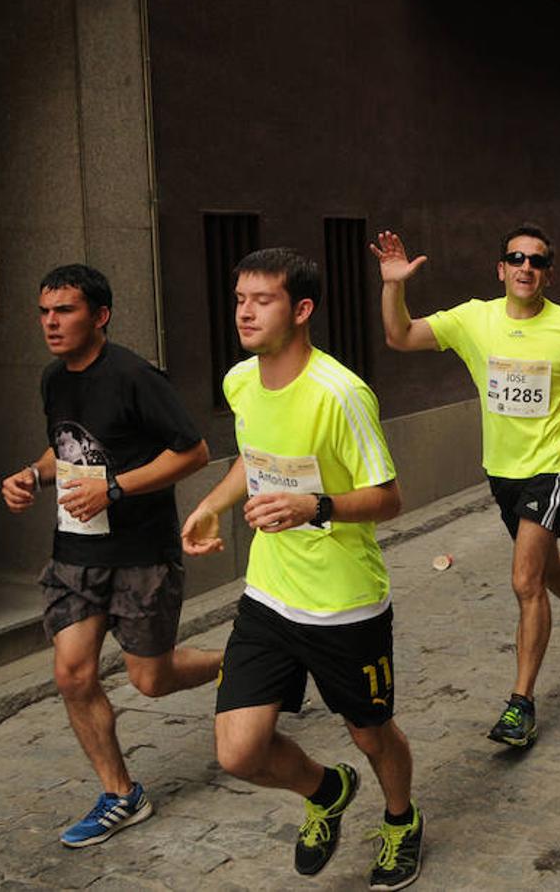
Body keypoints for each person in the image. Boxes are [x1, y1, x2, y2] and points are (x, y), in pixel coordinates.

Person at [181, 248, 422, 889]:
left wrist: (314, 505)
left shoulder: (341, 394)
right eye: (239, 299)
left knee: (371, 735)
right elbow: (253, 457)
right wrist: (212, 504)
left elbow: (389, 498)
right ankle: (325, 789)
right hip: (269, 596)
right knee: (237, 751)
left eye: (262, 300)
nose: (246, 312)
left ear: (302, 309)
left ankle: (401, 819)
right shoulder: (240, 381)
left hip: (345, 604)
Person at [0, 264, 218, 848]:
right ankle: (122, 793)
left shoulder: (134, 376)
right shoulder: (53, 378)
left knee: (152, 678)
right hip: (75, 548)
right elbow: (64, 444)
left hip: (140, 550)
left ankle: (240, 665)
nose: (51, 322)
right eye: (45, 311)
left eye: (65, 310)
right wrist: (32, 475)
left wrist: (115, 487)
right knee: (72, 674)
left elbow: (193, 452)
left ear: (100, 315)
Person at [374, 226, 560, 749]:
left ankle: (520, 704)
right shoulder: (472, 319)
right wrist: (394, 286)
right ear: (500, 269)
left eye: (537, 260)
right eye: (515, 258)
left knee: (526, 579)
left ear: (548, 273)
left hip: (552, 464)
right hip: (501, 469)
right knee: (546, 567)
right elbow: (400, 336)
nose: (525, 266)